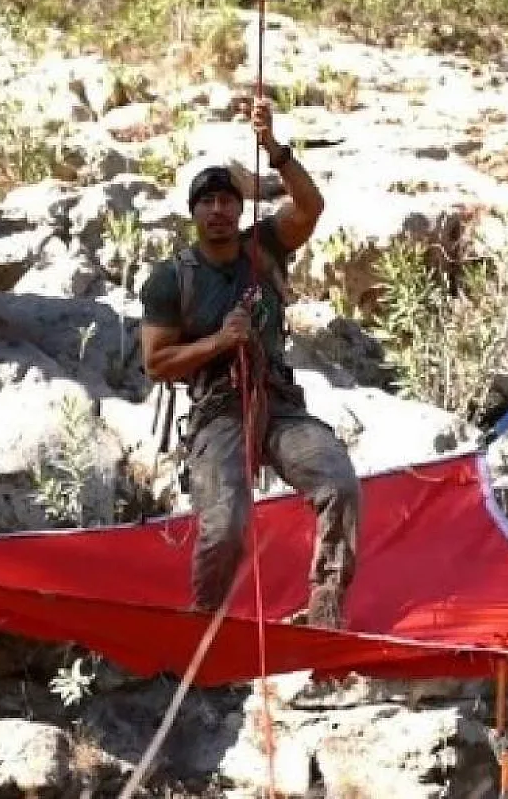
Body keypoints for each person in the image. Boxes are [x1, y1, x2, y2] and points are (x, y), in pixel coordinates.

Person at [138, 99, 361, 630]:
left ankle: (325, 614)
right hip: (218, 411)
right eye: (207, 202)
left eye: (226, 201)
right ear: (194, 213)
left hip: (277, 402)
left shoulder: (262, 249)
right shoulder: (171, 280)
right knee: (227, 522)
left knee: (339, 483)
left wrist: (274, 151)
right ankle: (204, 621)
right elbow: (156, 362)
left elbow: (310, 207)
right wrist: (219, 342)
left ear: (239, 210)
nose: (217, 210)